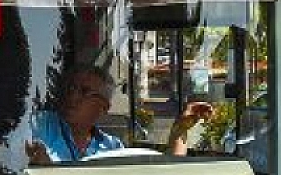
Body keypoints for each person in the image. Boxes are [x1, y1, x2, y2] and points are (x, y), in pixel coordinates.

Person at [26, 66, 212, 164]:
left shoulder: (112, 148)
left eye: (83, 92)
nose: (72, 96)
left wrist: (181, 128)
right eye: (71, 88)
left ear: (103, 107)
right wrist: (41, 167)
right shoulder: (39, 124)